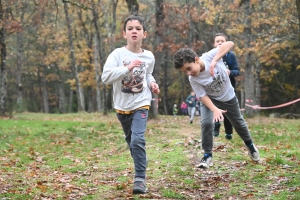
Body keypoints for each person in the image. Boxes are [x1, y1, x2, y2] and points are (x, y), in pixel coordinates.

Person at [173, 41, 260, 169]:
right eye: (184, 71)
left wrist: (215, 60)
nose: (188, 73)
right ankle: (207, 155)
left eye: (189, 68)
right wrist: (215, 109)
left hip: (228, 97)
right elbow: (202, 96)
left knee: (239, 123)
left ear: (196, 60)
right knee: (207, 123)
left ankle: (250, 145)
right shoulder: (193, 79)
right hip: (210, 99)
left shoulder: (209, 56)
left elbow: (230, 44)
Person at [101, 14, 160, 194]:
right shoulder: (117, 54)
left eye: (138, 28)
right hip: (122, 106)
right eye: (130, 28)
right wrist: (127, 68)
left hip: (141, 102)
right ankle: (141, 161)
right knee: (132, 143)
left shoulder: (149, 56)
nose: (134, 31)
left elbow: (148, 74)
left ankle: (140, 179)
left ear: (144, 34)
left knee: (137, 139)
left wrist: (152, 83)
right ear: (124, 34)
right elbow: (105, 77)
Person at [213, 33, 240, 140]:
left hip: (229, 87)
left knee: (228, 110)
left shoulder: (231, 55)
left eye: (222, 41)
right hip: (216, 87)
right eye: (217, 41)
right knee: (216, 108)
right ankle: (216, 126)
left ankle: (229, 132)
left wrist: (229, 72)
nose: (220, 43)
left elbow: (237, 71)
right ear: (214, 44)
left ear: (226, 43)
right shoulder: (211, 55)